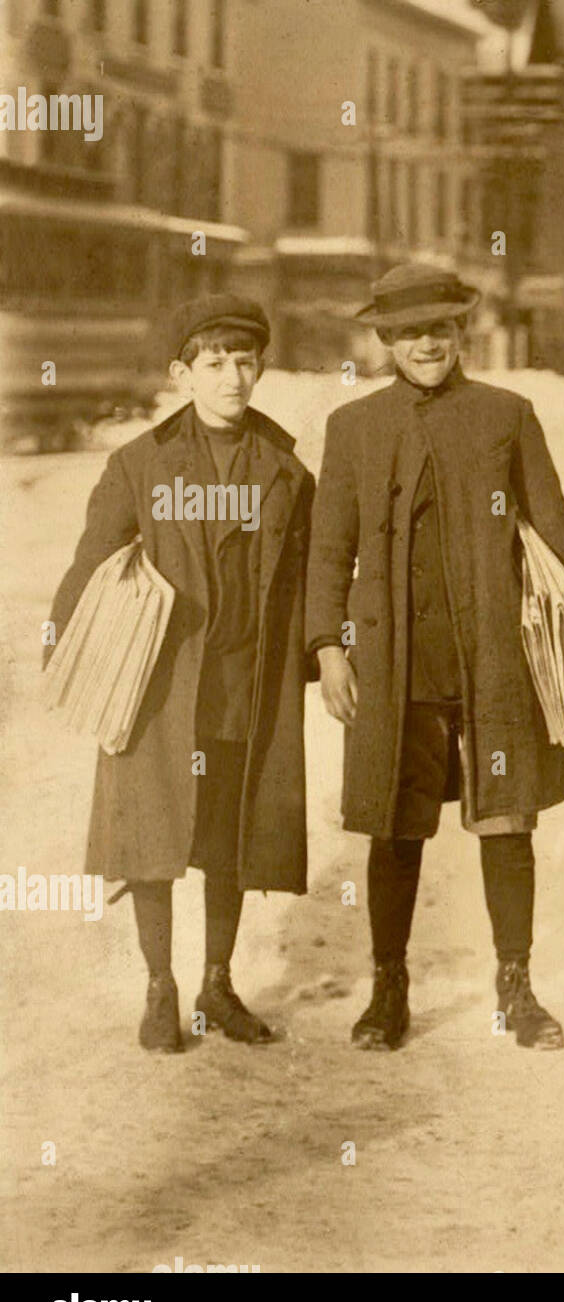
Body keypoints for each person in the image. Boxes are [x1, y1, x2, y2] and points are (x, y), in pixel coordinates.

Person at [306, 264, 564, 1052]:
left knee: (508, 820)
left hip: (493, 658)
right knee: (394, 829)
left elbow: (555, 530)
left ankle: (517, 985)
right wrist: (328, 646)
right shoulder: (354, 428)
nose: (425, 344)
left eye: (439, 329)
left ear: (462, 332)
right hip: (394, 662)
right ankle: (388, 986)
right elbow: (327, 550)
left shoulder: (507, 414)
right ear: (385, 341)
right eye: (407, 333)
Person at [46, 294, 315, 1052]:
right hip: (159, 687)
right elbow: (91, 564)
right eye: (216, 363)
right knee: (152, 832)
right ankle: (160, 985)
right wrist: (66, 650)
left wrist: (328, 648)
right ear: (183, 373)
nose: (234, 377)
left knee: (231, 833)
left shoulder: (286, 469)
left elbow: (313, 572)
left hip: (242, 682)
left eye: (246, 360)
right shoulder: (139, 463)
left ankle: (217, 983)